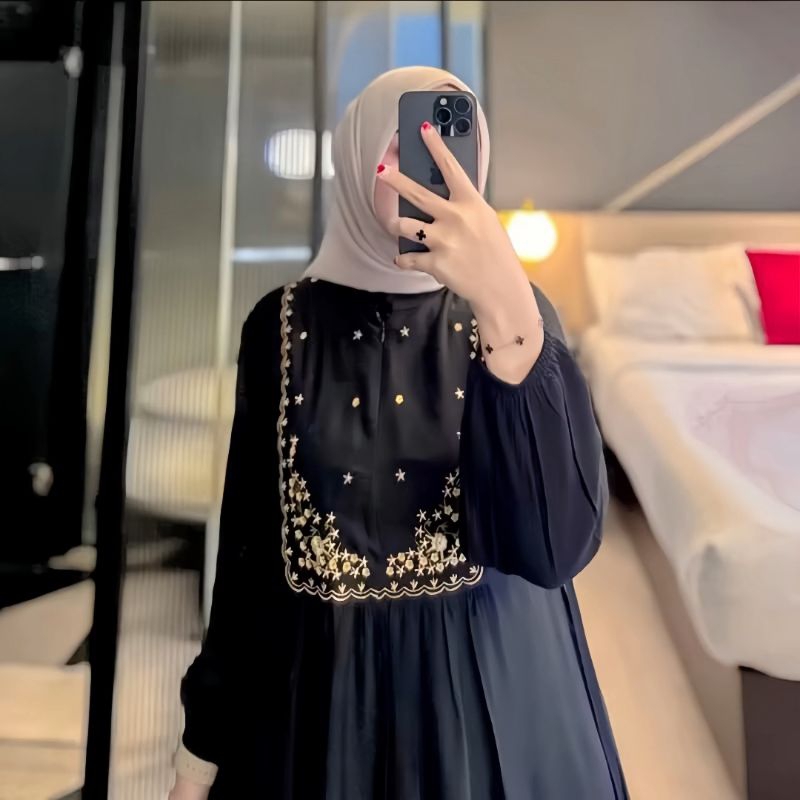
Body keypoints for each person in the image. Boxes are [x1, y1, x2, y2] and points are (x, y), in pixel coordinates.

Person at [169, 66, 628, 800]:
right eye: (406, 144)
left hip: (495, 695)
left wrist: (506, 303)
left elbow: (556, 548)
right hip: (319, 709)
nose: (428, 171)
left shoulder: (520, 313)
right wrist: (203, 744)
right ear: (356, 158)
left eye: (450, 148)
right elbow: (250, 549)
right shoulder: (277, 326)